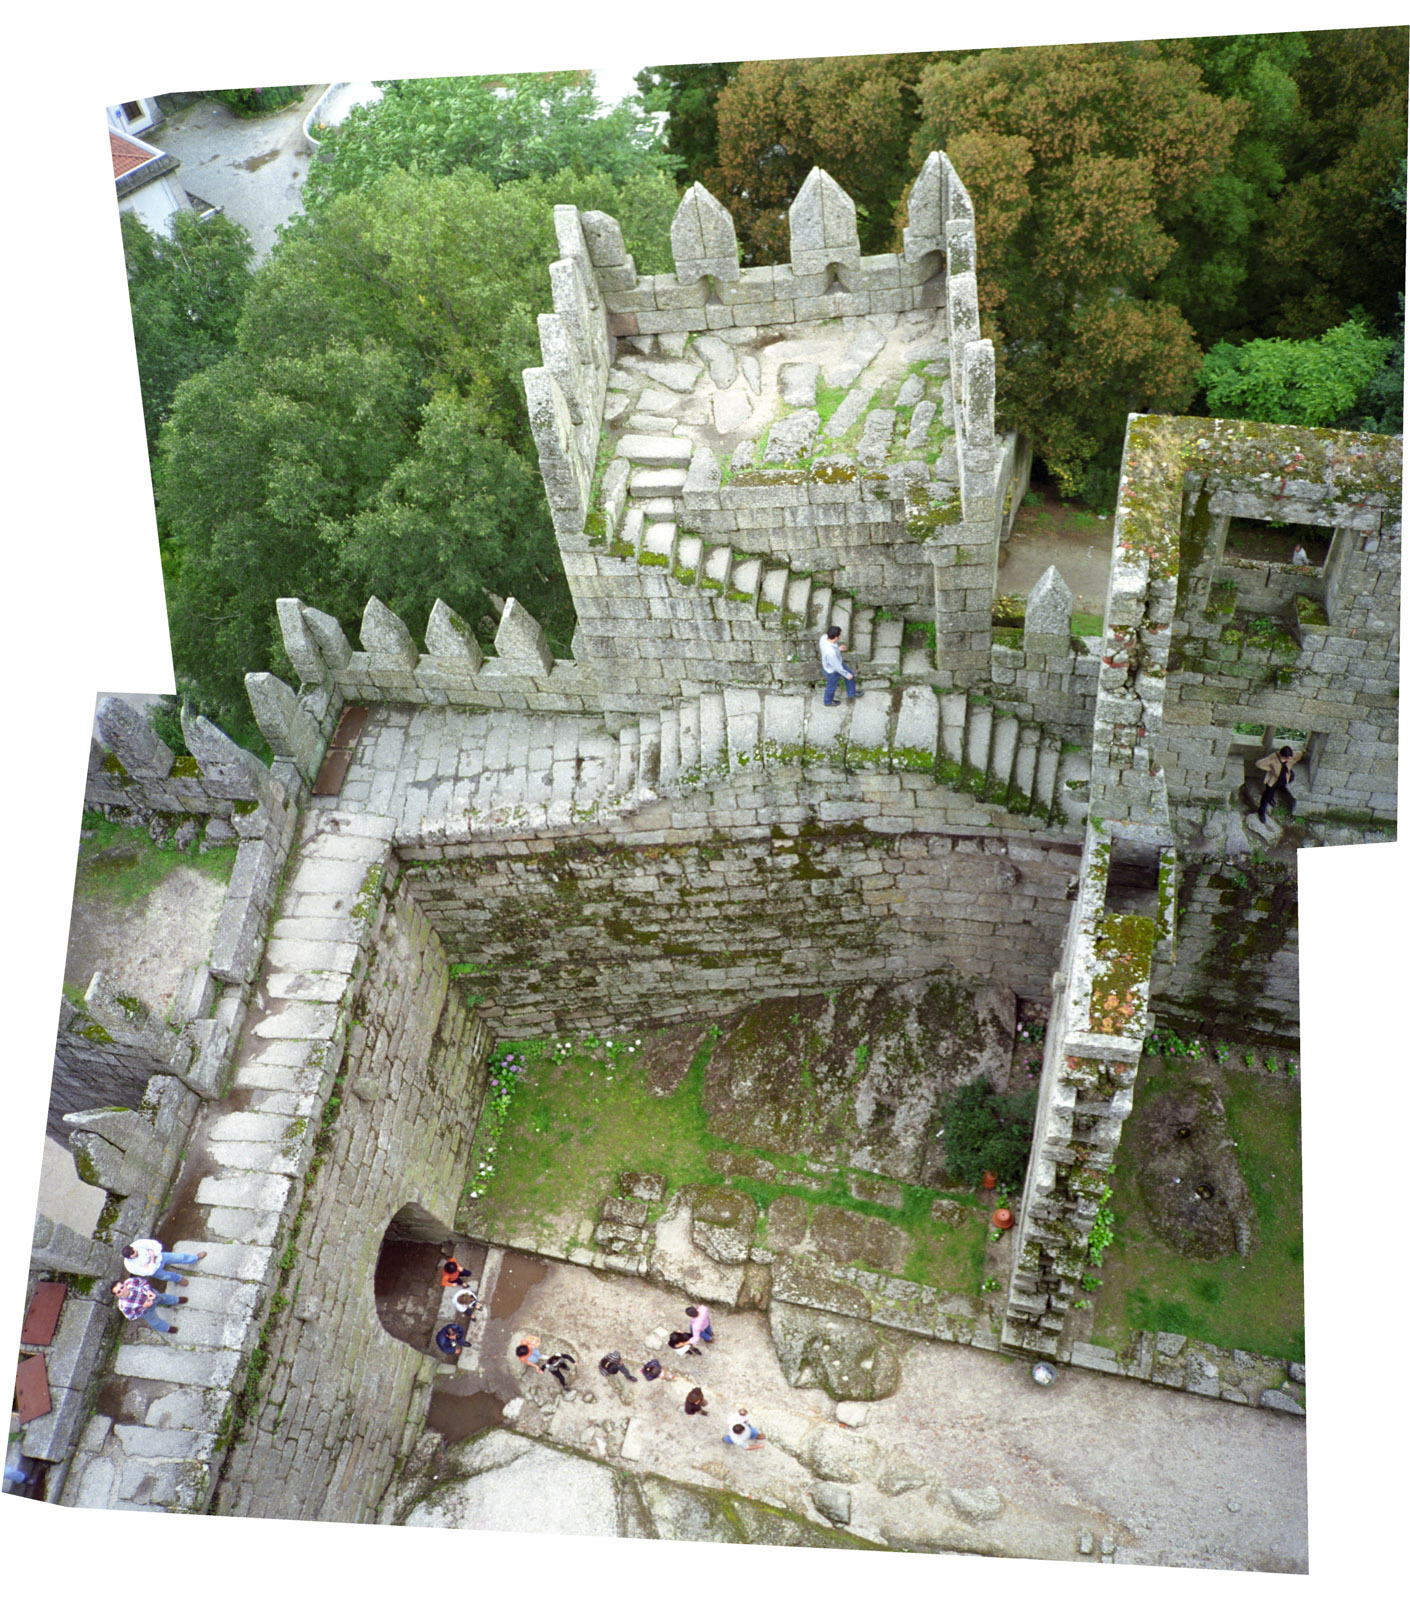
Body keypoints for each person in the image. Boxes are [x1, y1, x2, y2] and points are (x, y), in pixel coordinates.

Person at [112, 1277, 185, 1334]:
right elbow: (131, 1316)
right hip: (146, 1311)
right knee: (155, 1322)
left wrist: (148, 1291)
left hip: (152, 1295)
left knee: (163, 1298)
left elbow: (143, 1282)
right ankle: (166, 1328)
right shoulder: (123, 1306)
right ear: (117, 1295)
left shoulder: (130, 1282)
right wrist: (143, 1307)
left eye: (122, 1287)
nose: (123, 1290)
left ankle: (176, 1300)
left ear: (124, 1284)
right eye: (119, 1292)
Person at [122, 1239, 206, 1286]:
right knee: (166, 1276)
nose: (135, 1252)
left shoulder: (137, 1244)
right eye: (133, 1254)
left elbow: (156, 1245)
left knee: (180, 1257)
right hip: (155, 1270)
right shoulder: (130, 1266)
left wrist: (151, 1261)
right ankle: (178, 1279)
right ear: (129, 1257)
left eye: (134, 1250)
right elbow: (149, 1271)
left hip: (161, 1257)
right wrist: (152, 1257)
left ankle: (194, 1258)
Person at [1254, 744, 1302, 823]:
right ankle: (1261, 811)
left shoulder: (1291, 756)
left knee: (1276, 789)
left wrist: (1296, 760)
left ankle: (1271, 798)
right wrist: (1269, 768)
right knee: (1267, 794)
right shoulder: (1273, 758)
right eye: (1287, 758)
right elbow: (1258, 763)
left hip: (1283, 778)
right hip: (1274, 780)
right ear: (1282, 755)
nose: (1289, 759)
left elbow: (1300, 753)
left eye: (1289, 757)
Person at [819, 625, 862, 705]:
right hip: (832, 670)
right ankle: (828, 702)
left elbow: (830, 651)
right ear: (835, 637)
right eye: (840, 635)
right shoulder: (830, 652)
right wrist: (846, 674)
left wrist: (838, 649)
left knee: (850, 675)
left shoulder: (824, 638)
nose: (840, 636)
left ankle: (851, 693)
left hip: (834, 663)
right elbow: (837, 667)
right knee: (831, 687)